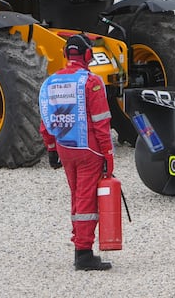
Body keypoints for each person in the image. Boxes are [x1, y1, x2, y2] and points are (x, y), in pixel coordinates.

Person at [39, 34, 115, 270]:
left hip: (65, 148)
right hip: (89, 150)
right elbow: (101, 123)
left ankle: (79, 244)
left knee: (76, 197)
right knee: (87, 201)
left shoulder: (49, 83)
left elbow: (45, 122)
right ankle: (83, 253)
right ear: (88, 56)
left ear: (65, 55)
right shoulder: (91, 82)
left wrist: (51, 149)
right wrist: (109, 156)